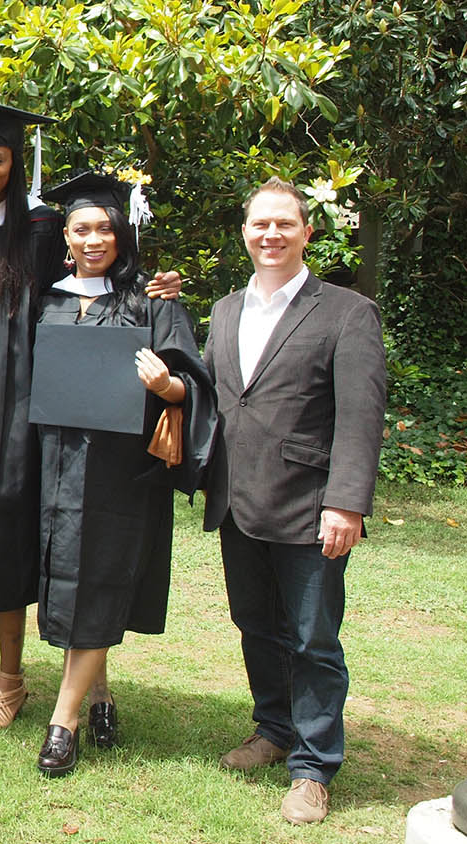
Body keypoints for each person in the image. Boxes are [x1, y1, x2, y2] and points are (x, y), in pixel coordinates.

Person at [0, 103, 183, 732]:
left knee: (5, 539)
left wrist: (154, 291)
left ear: (15, 164)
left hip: (21, 410)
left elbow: (86, 293)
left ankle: (10, 680)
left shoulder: (44, 230)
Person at [203, 177, 386, 824]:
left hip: (311, 508)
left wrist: (347, 504)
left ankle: (312, 768)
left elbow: (361, 418)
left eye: (285, 223)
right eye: (260, 224)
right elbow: (218, 402)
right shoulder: (225, 311)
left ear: (308, 232)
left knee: (312, 639)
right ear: (245, 233)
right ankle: (273, 730)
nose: (271, 234)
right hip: (237, 503)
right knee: (256, 626)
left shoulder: (345, 312)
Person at [31, 172, 216, 776]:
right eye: (81, 229)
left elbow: (194, 382)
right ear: (65, 235)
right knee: (71, 585)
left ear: (122, 235)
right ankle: (101, 693)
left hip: (120, 475)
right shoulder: (47, 299)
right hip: (55, 468)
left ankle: (64, 720)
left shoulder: (150, 302)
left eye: (104, 229)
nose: (92, 240)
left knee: (99, 583)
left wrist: (169, 386)